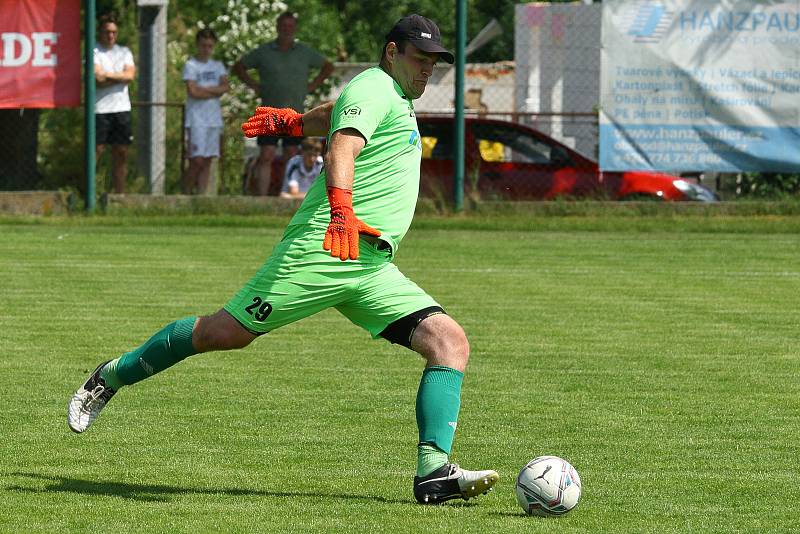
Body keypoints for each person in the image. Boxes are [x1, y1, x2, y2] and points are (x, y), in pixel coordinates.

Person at [68, 14, 498, 505]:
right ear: (392, 52)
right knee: (223, 333)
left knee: (447, 342)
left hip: (368, 265)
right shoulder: (377, 85)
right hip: (324, 248)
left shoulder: (387, 94)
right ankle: (113, 374)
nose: (428, 70)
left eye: (434, 63)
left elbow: (337, 112)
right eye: (421, 59)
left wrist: (293, 121)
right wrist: (339, 209)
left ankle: (433, 472)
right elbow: (342, 144)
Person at [232, 11, 334, 196]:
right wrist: (253, 85)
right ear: (277, 27)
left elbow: (328, 66)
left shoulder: (304, 51)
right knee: (266, 155)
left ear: (295, 29)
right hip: (269, 114)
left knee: (292, 154)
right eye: (284, 26)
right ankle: (263, 199)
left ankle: (286, 196)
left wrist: (312, 85)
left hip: (295, 114)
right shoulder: (264, 52)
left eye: (290, 26)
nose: (287, 30)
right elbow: (239, 67)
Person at [182, 28, 230, 195]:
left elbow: (225, 87)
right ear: (197, 45)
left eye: (210, 46)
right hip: (196, 119)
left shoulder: (218, 66)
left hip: (213, 119)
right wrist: (214, 90)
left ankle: (202, 197)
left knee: (208, 159)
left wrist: (206, 89)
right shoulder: (191, 65)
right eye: (203, 45)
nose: (206, 49)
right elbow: (193, 91)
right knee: (197, 160)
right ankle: (186, 193)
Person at [94, 14, 135, 194]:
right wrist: (120, 77)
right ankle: (91, 193)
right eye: (107, 32)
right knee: (96, 151)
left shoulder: (124, 52)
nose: (110, 36)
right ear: (100, 32)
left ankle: (120, 194)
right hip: (99, 109)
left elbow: (130, 76)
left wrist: (108, 76)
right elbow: (97, 79)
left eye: (114, 32)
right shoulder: (93, 51)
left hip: (121, 109)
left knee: (121, 152)